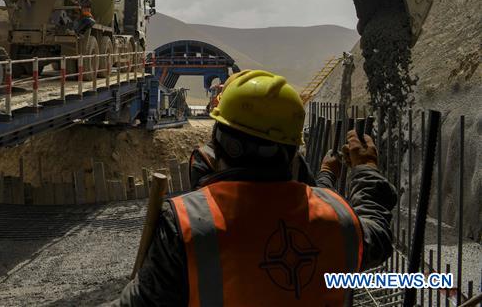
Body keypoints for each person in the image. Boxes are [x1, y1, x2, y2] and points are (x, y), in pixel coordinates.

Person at [117, 69, 396, 306]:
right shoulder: (339, 220)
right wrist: (366, 169)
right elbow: (377, 235)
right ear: (291, 152)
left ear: (223, 143)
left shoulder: (187, 225)